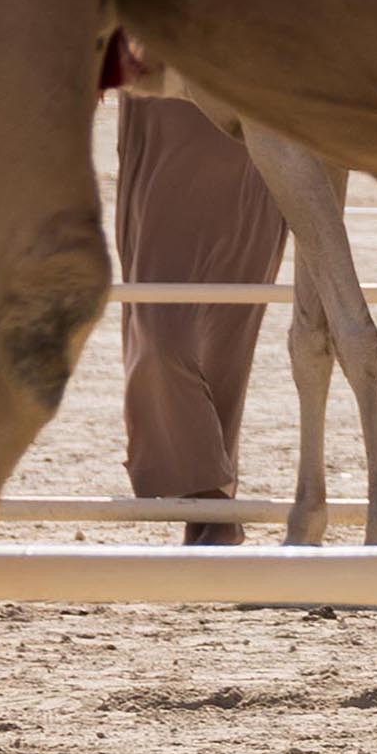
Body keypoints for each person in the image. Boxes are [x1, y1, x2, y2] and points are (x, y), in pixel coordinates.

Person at [113, 83, 286, 546]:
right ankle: (214, 504)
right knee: (157, 338)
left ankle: (212, 520)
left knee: (224, 350)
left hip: (250, 144)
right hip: (161, 143)